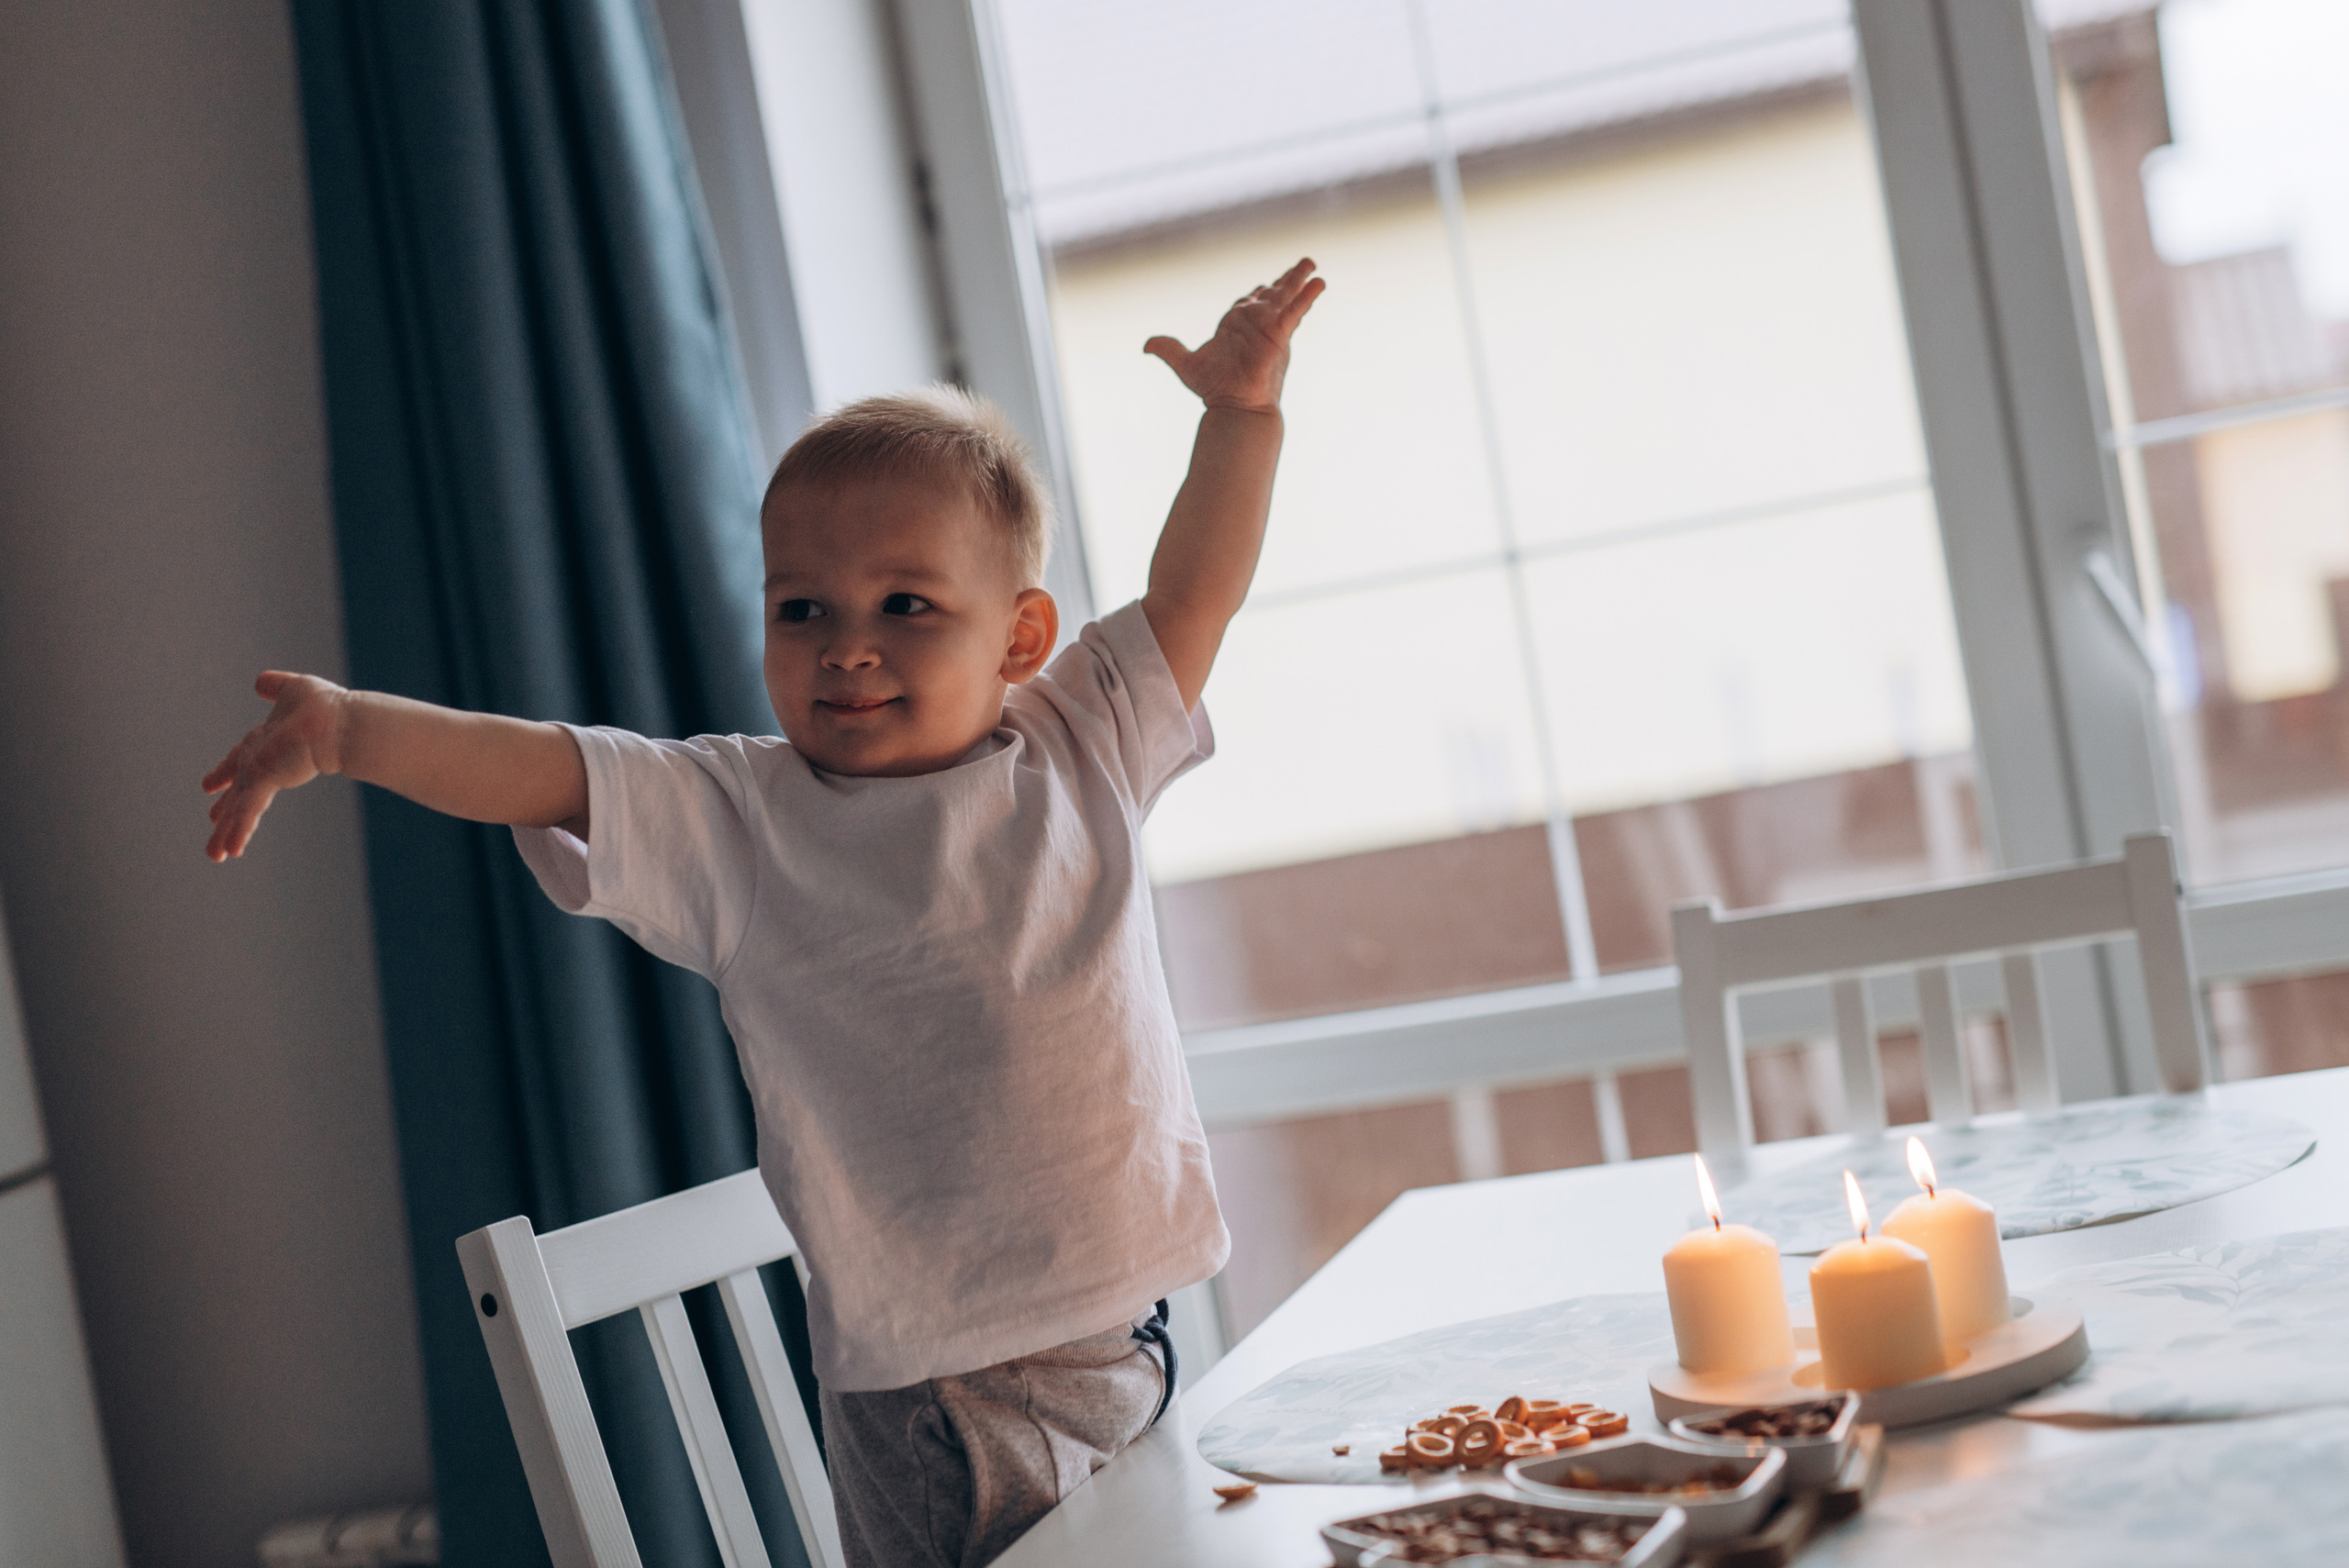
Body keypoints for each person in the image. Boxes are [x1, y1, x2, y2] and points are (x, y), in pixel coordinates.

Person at [203, 258, 1326, 1567]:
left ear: (1022, 636)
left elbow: (1196, 591)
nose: (847, 643)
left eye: (906, 605)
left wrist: (1240, 420)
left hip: (1122, 1340)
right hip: (945, 1402)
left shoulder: (1082, 737)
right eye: (804, 608)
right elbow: (549, 765)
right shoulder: (743, 818)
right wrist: (351, 731)